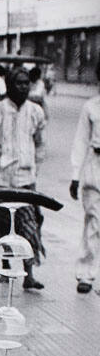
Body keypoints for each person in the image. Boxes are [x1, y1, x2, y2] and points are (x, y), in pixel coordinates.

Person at [0, 67, 47, 290]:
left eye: (27, 83)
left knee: (29, 227)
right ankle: (5, 268)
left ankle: (29, 274)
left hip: (26, 180)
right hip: (1, 180)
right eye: (19, 83)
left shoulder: (36, 111)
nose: (24, 87)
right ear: (9, 84)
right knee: (4, 226)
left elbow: (41, 142)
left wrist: (33, 164)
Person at [70, 59, 100, 294]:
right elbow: (80, 141)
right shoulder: (91, 107)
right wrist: (75, 175)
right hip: (95, 166)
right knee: (94, 219)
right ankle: (86, 274)